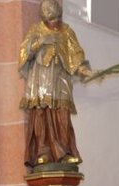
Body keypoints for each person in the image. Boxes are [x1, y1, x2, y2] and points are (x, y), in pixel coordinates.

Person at [19, 0, 92, 167]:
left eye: (50, 6)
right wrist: (40, 42)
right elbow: (24, 53)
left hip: (60, 78)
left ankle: (65, 152)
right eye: (44, 7)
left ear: (58, 9)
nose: (47, 9)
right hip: (40, 78)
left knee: (63, 114)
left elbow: (76, 54)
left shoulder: (67, 31)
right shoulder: (36, 30)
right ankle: (42, 152)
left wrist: (83, 69)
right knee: (41, 113)